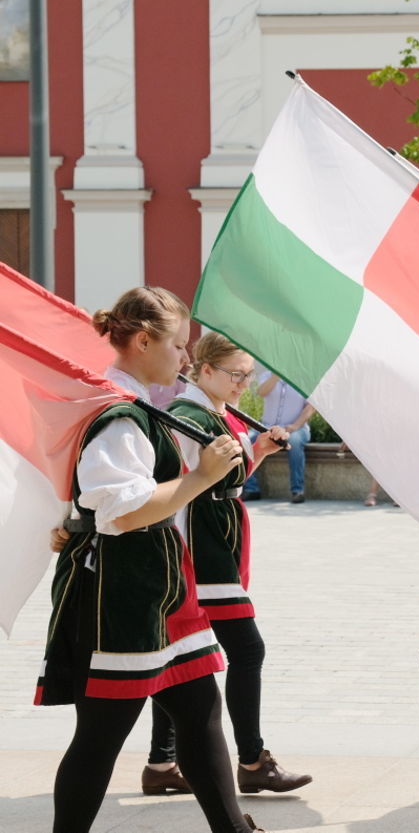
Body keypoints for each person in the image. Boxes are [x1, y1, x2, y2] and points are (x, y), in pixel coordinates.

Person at [37, 287, 263, 833]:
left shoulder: (127, 406)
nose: (185, 358)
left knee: (201, 711)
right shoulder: (120, 415)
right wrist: (201, 478)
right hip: (123, 596)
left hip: (156, 588)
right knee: (100, 738)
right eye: (178, 345)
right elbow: (122, 512)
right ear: (143, 341)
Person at [142, 333, 312, 797]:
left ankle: (161, 765)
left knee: (183, 655)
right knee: (245, 651)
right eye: (236, 374)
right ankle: (253, 760)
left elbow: (225, 481)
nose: (244, 384)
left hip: (218, 544)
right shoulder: (186, 416)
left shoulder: (215, 411)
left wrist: (256, 454)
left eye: (248, 375)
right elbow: (186, 482)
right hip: (200, 548)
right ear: (205, 369)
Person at [240, 371, 313, 503]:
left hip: (296, 428)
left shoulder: (304, 378)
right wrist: (277, 376)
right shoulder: (267, 375)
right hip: (267, 428)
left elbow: (311, 406)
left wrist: (295, 426)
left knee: (295, 442)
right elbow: (262, 392)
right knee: (245, 439)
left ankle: (298, 490)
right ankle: (251, 489)